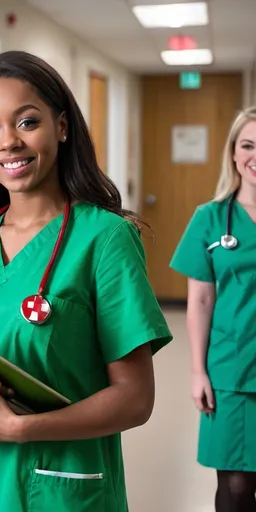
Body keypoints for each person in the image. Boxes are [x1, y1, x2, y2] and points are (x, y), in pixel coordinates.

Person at [0, 50, 172, 511]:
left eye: (26, 122)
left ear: (62, 127)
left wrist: (16, 427)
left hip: (60, 489)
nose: (7, 142)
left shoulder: (105, 238)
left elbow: (135, 399)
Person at [170, 106, 256, 511]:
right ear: (234, 153)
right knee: (236, 487)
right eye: (248, 145)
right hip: (232, 369)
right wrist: (197, 371)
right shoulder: (209, 219)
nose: (255, 156)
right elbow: (200, 300)